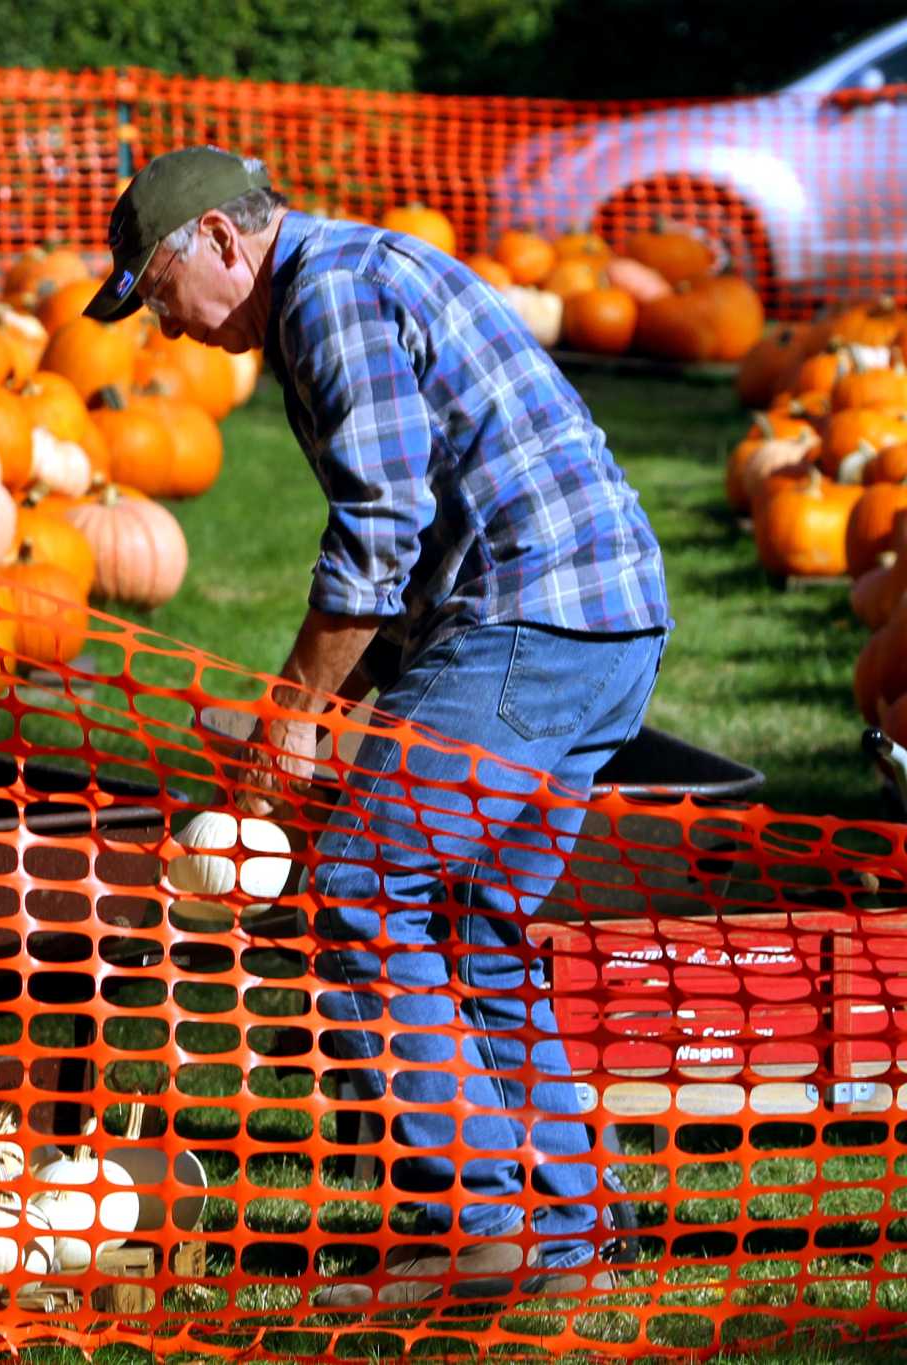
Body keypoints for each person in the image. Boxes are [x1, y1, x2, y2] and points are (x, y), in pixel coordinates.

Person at [84, 148, 672, 1301]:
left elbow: (378, 529)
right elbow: (412, 544)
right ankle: (557, 1239)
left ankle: (474, 1230)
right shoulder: (357, 272)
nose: (163, 327)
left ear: (217, 238)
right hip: (607, 623)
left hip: (527, 620)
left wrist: (292, 720)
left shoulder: (328, 295)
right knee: (472, 916)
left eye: (157, 291)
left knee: (359, 883)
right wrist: (320, 714)